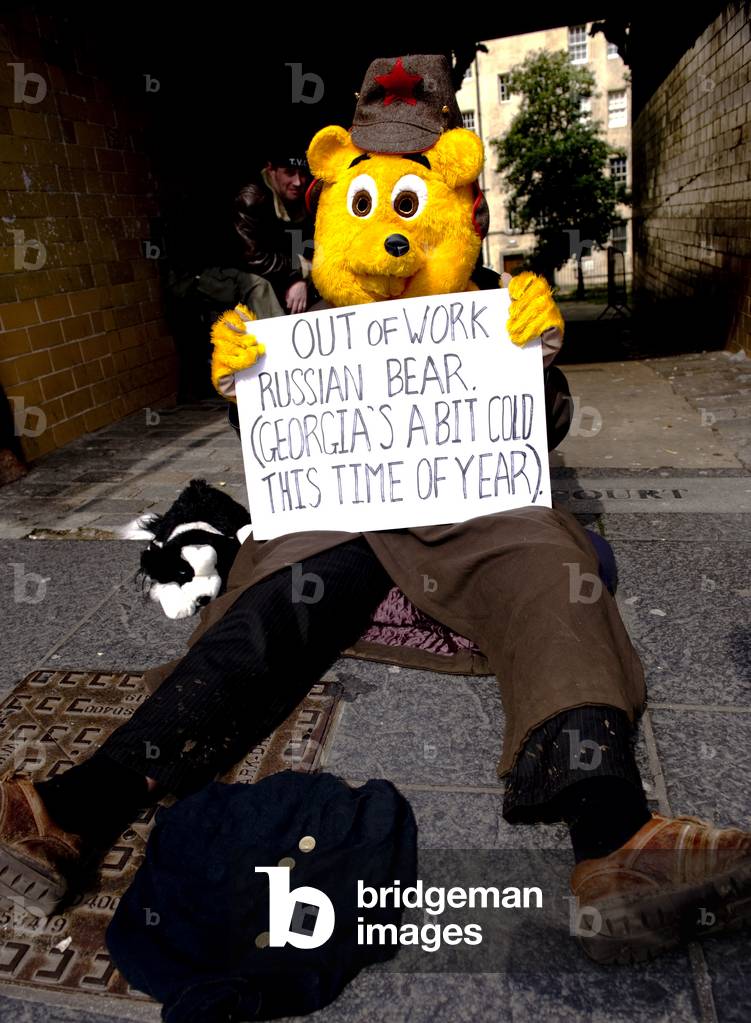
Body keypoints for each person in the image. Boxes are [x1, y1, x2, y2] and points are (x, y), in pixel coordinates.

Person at [1, 55, 749, 970]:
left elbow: (541, 428)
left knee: (550, 571)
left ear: (455, 210)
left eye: (413, 203)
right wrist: (245, 384)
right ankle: (73, 808)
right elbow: (284, 446)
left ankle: (614, 837)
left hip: (467, 506)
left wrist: (536, 359)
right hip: (342, 512)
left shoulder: (486, 305)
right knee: (270, 601)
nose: (393, 242)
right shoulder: (297, 310)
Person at [233, 144, 317, 315]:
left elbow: (309, 248)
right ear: (271, 170)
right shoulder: (251, 199)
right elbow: (255, 259)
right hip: (246, 279)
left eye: (302, 173)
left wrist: (300, 277)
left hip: (285, 275)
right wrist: (297, 274)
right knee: (259, 288)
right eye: (289, 172)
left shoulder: (302, 200)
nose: (298, 181)